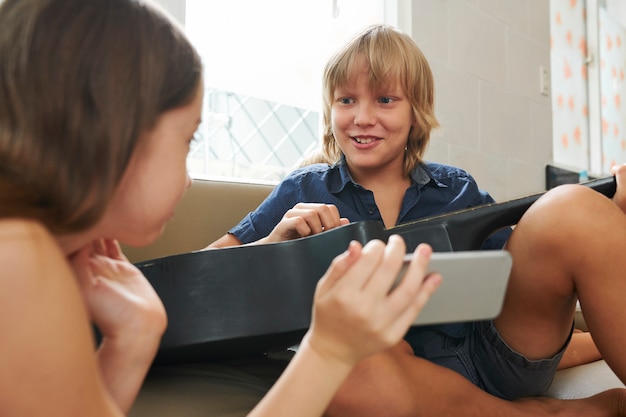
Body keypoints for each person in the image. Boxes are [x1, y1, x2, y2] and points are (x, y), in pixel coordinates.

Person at [0, 3, 442, 416]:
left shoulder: (36, 257)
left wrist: (132, 342)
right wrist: (329, 350)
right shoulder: (21, 266)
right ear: (109, 136)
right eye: (188, 139)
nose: (188, 178)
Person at [209, 24, 626, 416]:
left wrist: (610, 210)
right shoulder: (301, 190)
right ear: (330, 108)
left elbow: (523, 283)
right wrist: (272, 244)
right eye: (346, 99)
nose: (362, 117)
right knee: (338, 370)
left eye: (385, 100)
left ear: (416, 113)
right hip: (385, 373)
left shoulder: (457, 187)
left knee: (569, 206)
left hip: (489, 355)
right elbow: (203, 275)